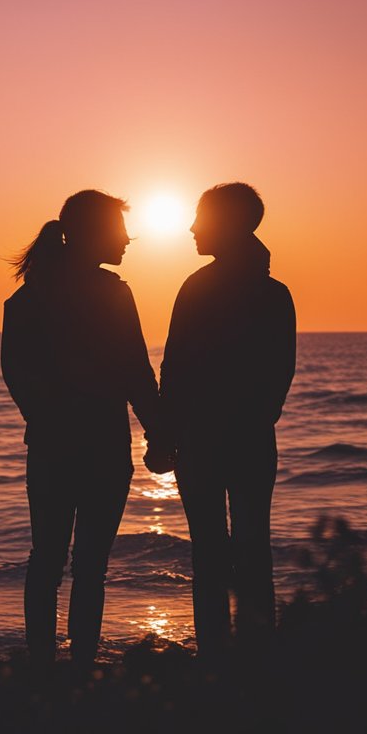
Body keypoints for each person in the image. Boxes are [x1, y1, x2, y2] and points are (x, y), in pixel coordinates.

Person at [1, 190, 163, 669]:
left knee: (48, 560)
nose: (127, 239)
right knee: (87, 566)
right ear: (90, 233)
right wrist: (157, 432)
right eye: (118, 230)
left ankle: (44, 668)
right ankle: (80, 668)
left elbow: (17, 376)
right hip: (99, 447)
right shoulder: (111, 293)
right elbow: (137, 370)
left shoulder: (28, 297)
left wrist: (47, 418)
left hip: (58, 446)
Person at [150, 182, 295, 655]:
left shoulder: (202, 288)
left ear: (230, 226)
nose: (192, 228)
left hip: (210, 440)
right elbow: (278, 376)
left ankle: (218, 654)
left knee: (212, 552)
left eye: (202, 219)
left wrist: (166, 434)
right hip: (245, 439)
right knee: (251, 549)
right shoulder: (273, 293)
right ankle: (254, 651)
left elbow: (176, 367)